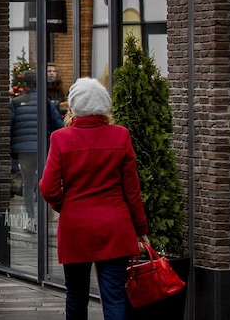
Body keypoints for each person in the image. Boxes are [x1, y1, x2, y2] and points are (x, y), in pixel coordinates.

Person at [40, 77, 150, 320]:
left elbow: (48, 188)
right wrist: (141, 228)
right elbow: (132, 189)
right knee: (115, 296)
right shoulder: (120, 136)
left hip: (75, 227)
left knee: (76, 295)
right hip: (115, 226)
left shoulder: (60, 138)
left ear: (74, 106)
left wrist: (65, 206)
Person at [9, 70, 64, 232]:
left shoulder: (16, 102)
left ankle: (30, 219)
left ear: (25, 85)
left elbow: (9, 127)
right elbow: (58, 126)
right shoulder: (46, 103)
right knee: (43, 183)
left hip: (24, 152)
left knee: (27, 184)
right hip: (43, 150)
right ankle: (43, 219)